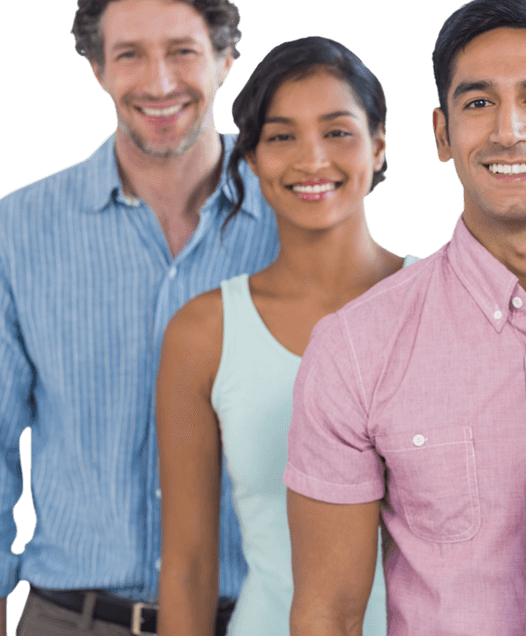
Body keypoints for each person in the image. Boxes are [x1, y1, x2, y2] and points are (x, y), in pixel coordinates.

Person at [281, 0, 526, 636]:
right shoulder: (357, 347)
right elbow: (327, 613)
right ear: (442, 133)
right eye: (478, 102)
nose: (509, 130)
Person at [0, 0, 280, 635]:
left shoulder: (298, 221)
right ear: (98, 69)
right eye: (130, 55)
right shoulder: (16, 233)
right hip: (72, 619)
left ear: (224, 61)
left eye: (183, 51)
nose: (159, 81)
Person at [156, 36, 410, 636]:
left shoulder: (447, 300)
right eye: (281, 136)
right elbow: (189, 565)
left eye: (337, 131)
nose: (311, 159)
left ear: (377, 147)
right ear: (249, 159)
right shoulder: (205, 332)